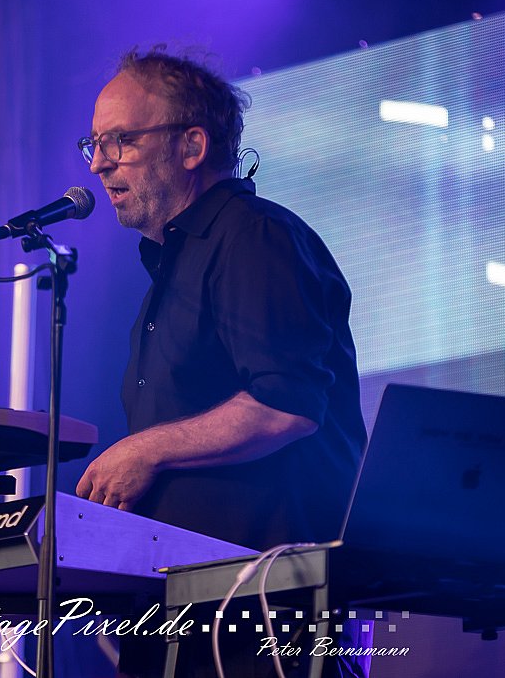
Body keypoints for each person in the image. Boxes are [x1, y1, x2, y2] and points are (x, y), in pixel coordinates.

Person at [73, 49, 369, 678]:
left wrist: (144, 450)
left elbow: (287, 405)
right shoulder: (172, 267)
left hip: (261, 611)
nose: (99, 163)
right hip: (183, 606)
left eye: (121, 140)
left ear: (191, 146)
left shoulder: (254, 235)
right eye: (94, 144)